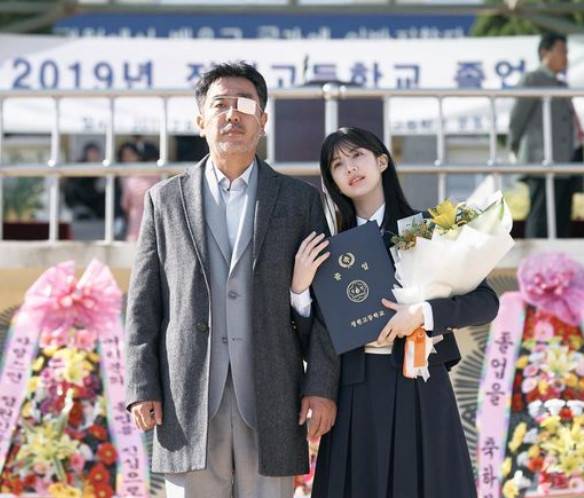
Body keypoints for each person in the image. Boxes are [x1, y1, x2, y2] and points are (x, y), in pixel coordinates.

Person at [124, 62, 339, 498]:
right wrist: (142, 386)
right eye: (220, 104)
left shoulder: (300, 201)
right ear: (200, 121)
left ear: (264, 120)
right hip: (187, 401)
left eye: (245, 104)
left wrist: (320, 386)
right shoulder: (164, 201)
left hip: (273, 397)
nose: (232, 114)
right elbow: (144, 305)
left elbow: (325, 306)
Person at [291, 127, 500, 498]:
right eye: (337, 164)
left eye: (357, 155)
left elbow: (487, 303)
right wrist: (300, 289)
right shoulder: (328, 248)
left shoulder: (425, 228)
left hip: (420, 383)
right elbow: (316, 337)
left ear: (382, 161)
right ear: (332, 181)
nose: (350, 168)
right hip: (354, 389)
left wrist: (422, 314)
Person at [508, 32, 582, 238]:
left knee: (562, 216)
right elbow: (517, 118)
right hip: (542, 159)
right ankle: (538, 256)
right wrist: (516, 149)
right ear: (544, 52)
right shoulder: (532, 79)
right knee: (541, 215)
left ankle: (560, 257)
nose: (566, 57)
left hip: (565, 161)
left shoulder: (561, 85)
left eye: (567, 52)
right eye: (561, 51)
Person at [118, 141, 160, 241]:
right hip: (157, 221)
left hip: (136, 223)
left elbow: (124, 204)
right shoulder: (161, 177)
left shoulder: (131, 180)